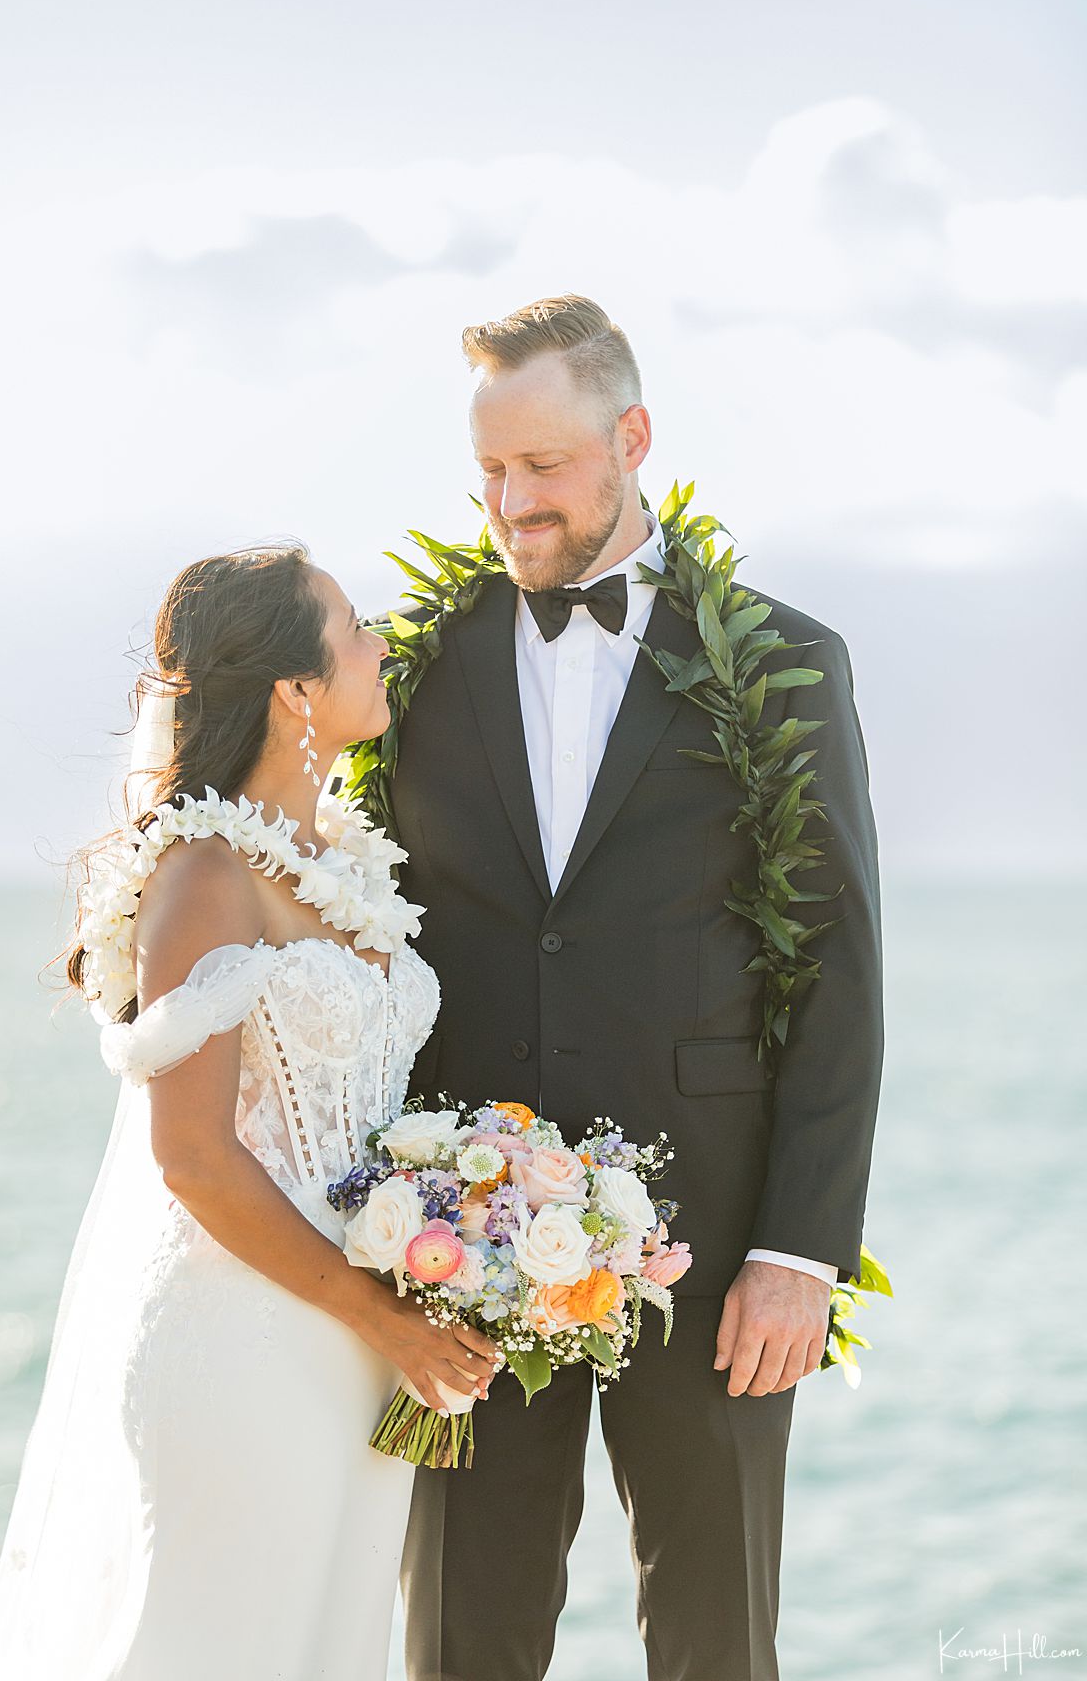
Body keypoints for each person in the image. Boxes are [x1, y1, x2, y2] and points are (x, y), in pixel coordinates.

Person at [395, 296, 885, 1680]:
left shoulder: (788, 663)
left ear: (633, 437)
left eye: (543, 466)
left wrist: (802, 1252)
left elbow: (841, 968)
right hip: (462, 1242)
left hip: (717, 1236)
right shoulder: (418, 664)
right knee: (459, 1633)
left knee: (716, 1633)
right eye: (489, 470)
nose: (511, 501)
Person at [0, 542, 497, 1681]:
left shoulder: (342, 864)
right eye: (355, 628)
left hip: (357, 1350)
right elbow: (194, 1156)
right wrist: (387, 1317)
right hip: (242, 1343)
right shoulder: (206, 873)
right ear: (296, 690)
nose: (381, 645)